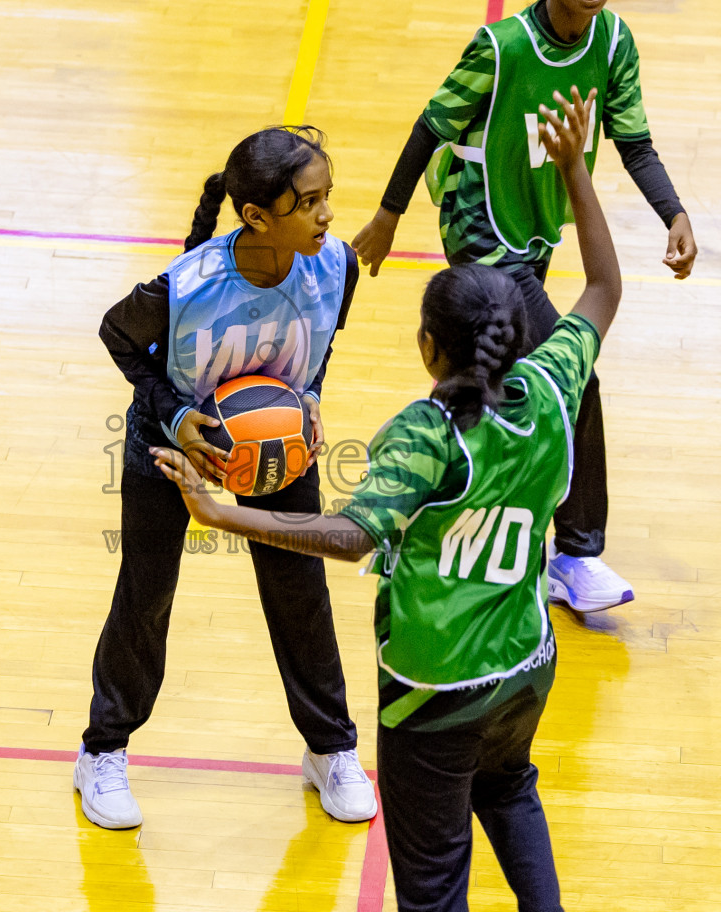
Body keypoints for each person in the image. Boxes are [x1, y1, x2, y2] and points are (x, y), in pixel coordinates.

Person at [155, 90, 617, 912]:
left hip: (436, 687)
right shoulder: (554, 386)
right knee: (511, 793)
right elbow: (604, 288)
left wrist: (224, 514)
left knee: (433, 885)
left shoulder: (428, 432)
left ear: (427, 348)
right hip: (528, 664)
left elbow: (351, 536)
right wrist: (576, 168)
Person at [352, 0, 695, 616]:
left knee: (496, 377)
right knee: (575, 375)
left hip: (537, 231)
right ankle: (575, 553)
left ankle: (455, 507)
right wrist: (389, 214)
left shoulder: (613, 41)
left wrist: (674, 211)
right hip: (480, 229)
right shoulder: (501, 47)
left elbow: (634, 140)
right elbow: (430, 125)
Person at [75, 127, 375, 830]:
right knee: (146, 592)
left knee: (300, 591)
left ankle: (331, 748)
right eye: (308, 203)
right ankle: (102, 751)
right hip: (171, 443)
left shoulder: (335, 266)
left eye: (328, 197)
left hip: (273, 442)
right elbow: (118, 335)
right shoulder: (186, 286)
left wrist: (310, 398)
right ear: (256, 217)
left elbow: (325, 340)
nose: (327, 215)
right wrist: (175, 416)